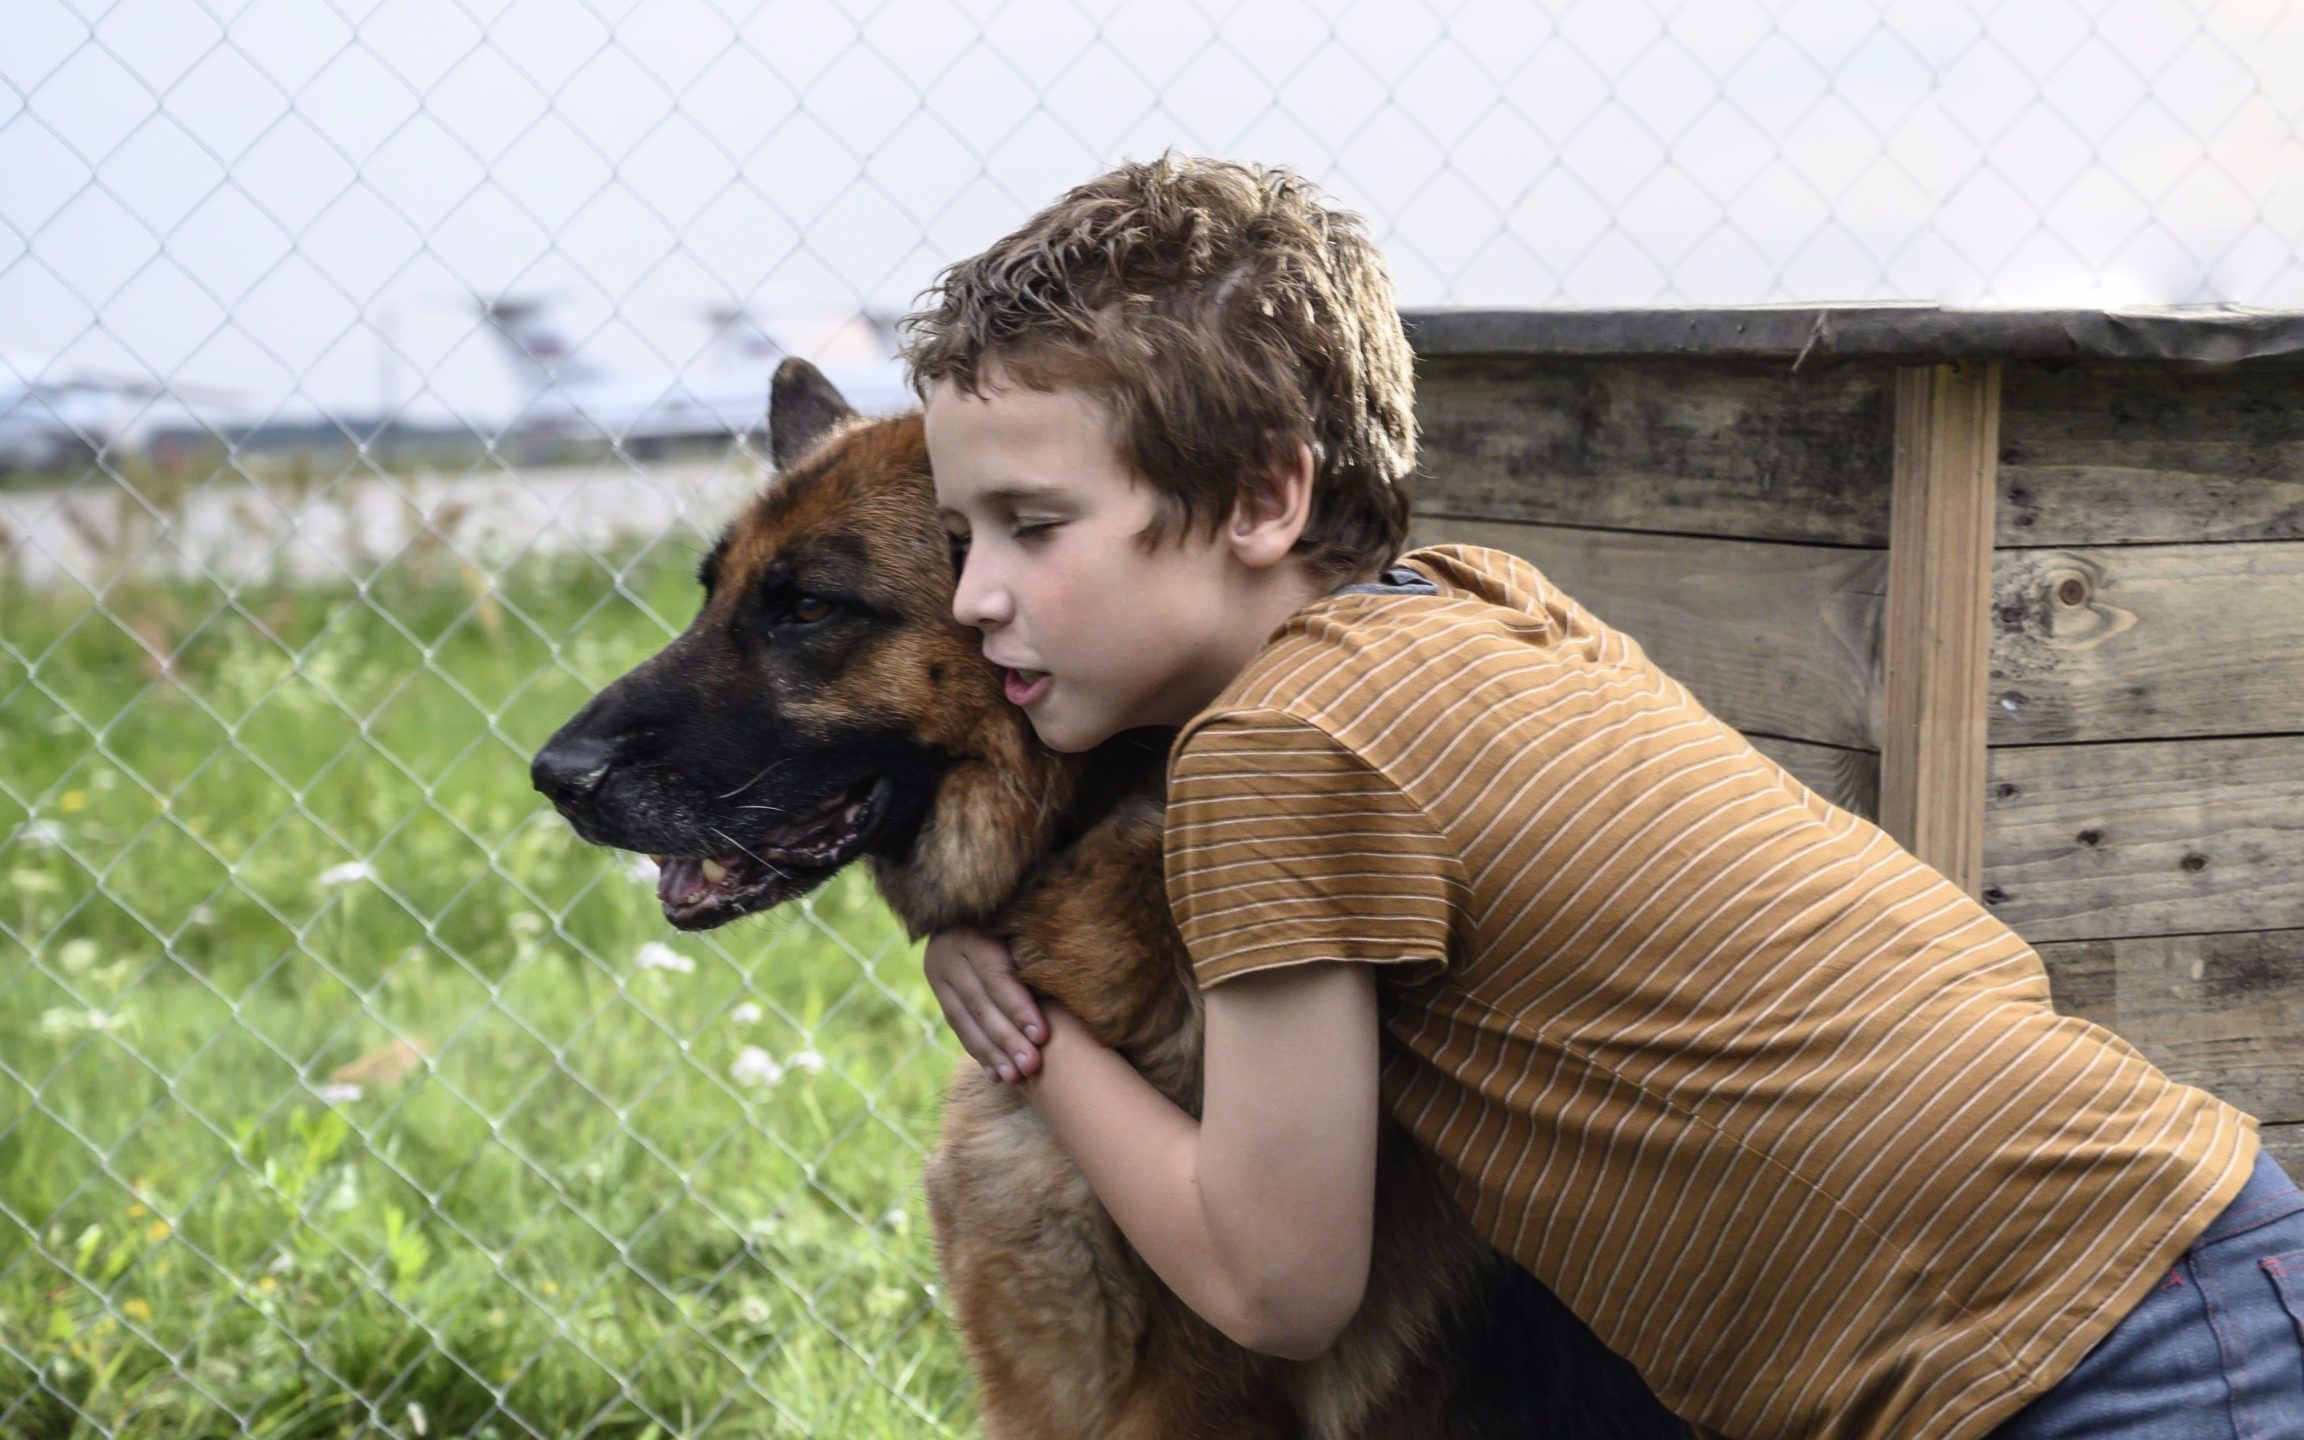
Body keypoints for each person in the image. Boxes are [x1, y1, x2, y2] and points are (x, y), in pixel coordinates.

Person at [901, 152, 2304, 1440]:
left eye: (1034, 527)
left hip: (2088, 1368)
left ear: (1267, 499)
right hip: (2190, 1250)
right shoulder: (1485, 606)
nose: (975, 600)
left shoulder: (1276, 749)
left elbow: (1276, 1287)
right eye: (963, 540)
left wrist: (1039, 1043)